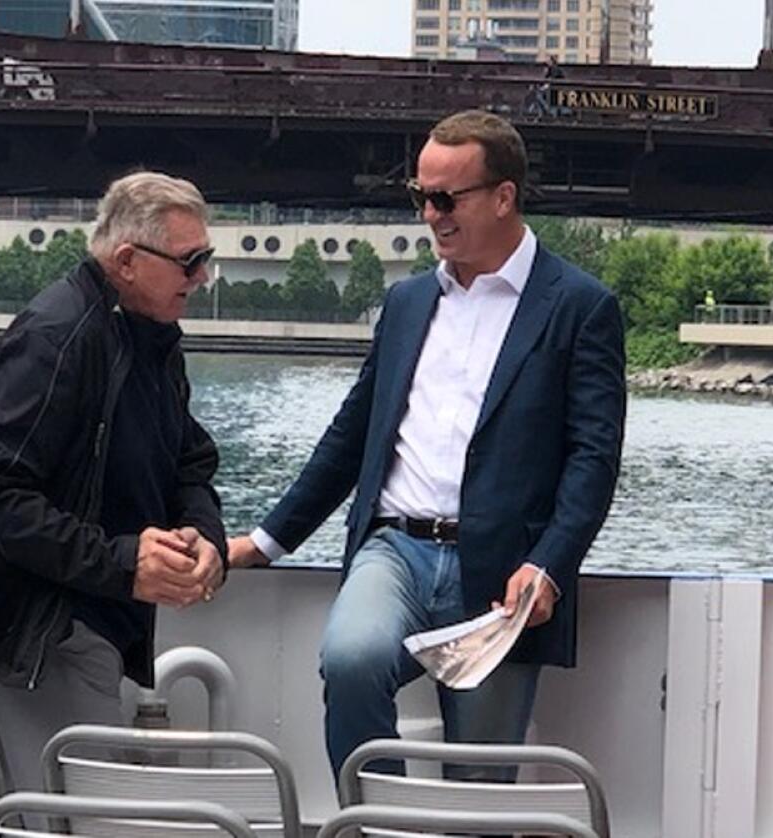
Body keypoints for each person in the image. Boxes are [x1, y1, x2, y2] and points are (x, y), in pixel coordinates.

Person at [229, 109, 627, 784]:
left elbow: (593, 458)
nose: (430, 214)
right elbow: (352, 434)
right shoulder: (408, 301)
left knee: (478, 792)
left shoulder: (580, 306)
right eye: (420, 196)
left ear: (504, 197)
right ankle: (377, 824)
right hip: (396, 550)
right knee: (351, 660)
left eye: (446, 197)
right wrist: (266, 541)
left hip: (503, 577)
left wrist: (549, 566)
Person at [0, 171, 226, 791]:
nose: (202, 278)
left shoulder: (154, 340)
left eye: (204, 260)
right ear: (128, 261)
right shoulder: (55, 337)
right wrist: (123, 561)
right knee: (81, 817)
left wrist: (202, 535)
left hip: (98, 610)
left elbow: (191, 460)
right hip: (44, 625)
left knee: (83, 813)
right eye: (191, 262)